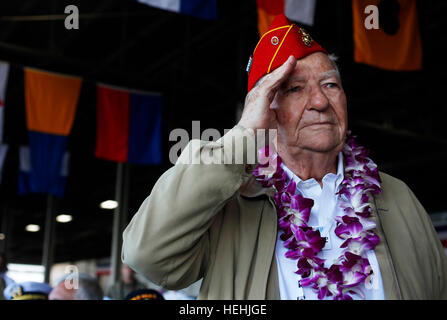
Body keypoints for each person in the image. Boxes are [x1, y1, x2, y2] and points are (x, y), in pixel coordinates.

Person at [121, 14, 447, 300]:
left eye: (330, 84)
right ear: (265, 110)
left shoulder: (399, 197)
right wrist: (244, 135)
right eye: (295, 89)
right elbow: (146, 254)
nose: (320, 101)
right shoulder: (228, 206)